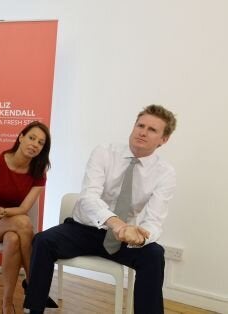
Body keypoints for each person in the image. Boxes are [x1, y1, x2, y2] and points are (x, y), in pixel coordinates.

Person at [23, 104, 177, 314]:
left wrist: (140, 237)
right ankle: (35, 309)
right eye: (140, 125)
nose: (142, 132)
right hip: (84, 230)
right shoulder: (105, 152)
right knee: (42, 241)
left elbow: (155, 220)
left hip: (124, 238)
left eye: (152, 130)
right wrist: (116, 223)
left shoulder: (165, 173)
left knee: (154, 254)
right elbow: (88, 197)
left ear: (163, 139)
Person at [0, 121, 57, 314]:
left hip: (13, 222)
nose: (35, 144)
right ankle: (34, 286)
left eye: (41, 143)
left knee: (13, 237)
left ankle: (7, 303)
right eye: (32, 138)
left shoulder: (38, 171)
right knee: (24, 223)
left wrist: (4, 212)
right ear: (21, 137)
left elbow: (24, 207)